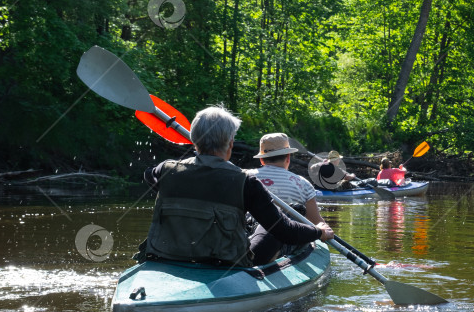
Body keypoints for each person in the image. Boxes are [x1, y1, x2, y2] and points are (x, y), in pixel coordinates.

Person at [141, 105, 333, 268]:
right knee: (285, 215)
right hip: (223, 264)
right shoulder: (246, 182)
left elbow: (148, 175)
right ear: (230, 143)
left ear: (194, 140)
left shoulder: (164, 170)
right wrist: (319, 232)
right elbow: (284, 230)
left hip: (166, 255)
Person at [248, 133, 333, 263]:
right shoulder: (303, 183)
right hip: (285, 239)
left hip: (248, 234)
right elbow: (315, 221)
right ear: (288, 157)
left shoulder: (246, 177)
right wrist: (324, 229)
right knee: (300, 218)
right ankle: (275, 251)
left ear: (262, 159)